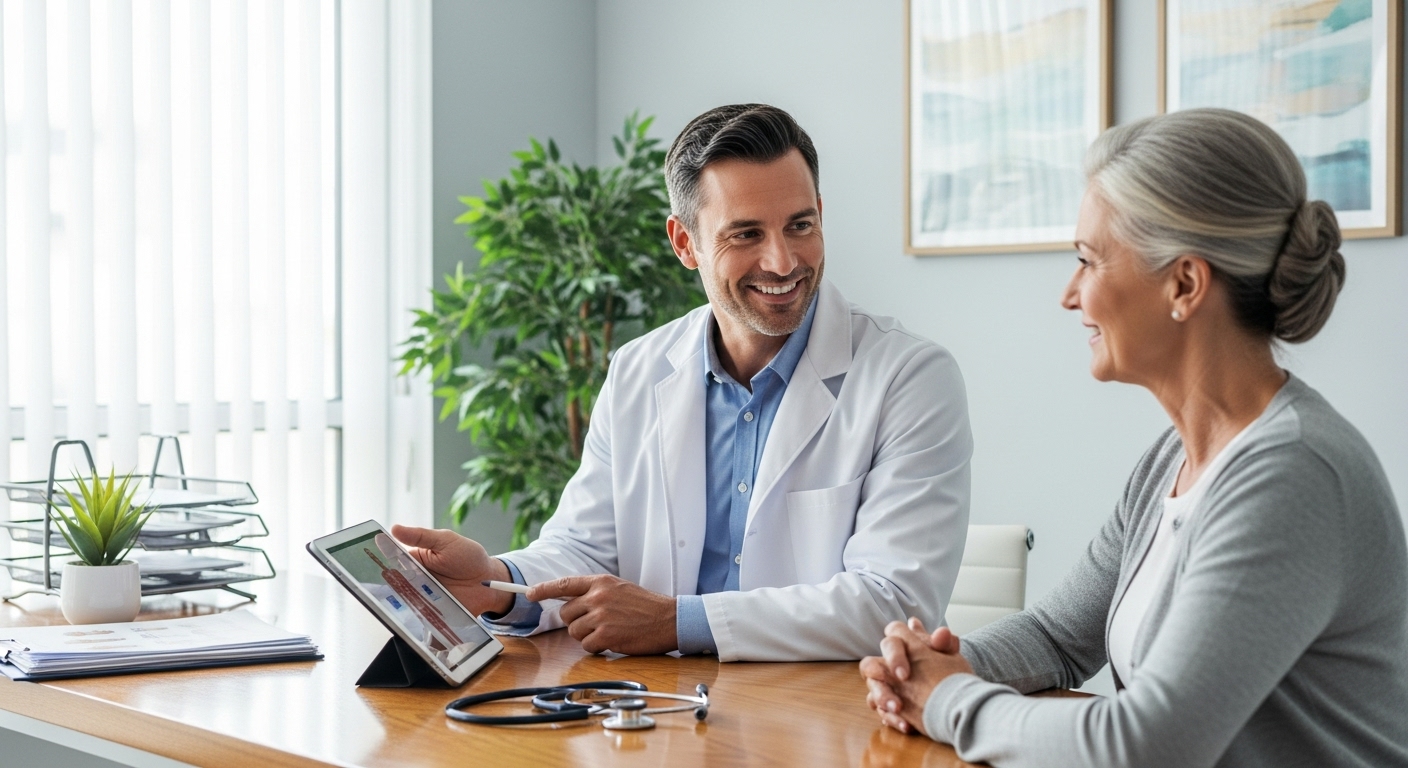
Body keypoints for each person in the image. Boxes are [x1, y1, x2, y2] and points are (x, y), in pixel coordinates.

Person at [860, 108, 1408, 767]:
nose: (1070, 295)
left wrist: (947, 701)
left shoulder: (1292, 476)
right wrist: (936, 665)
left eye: (1089, 261)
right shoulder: (1174, 460)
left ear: (1184, 284)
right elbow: (1059, 637)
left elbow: (1147, 746)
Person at [393, 104, 973, 662]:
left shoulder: (909, 378)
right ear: (684, 243)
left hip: (823, 723)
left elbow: (894, 602)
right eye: (745, 234)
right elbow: (585, 547)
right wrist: (497, 582)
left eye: (801, 225)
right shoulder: (638, 369)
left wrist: (675, 622)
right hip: (661, 715)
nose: (782, 261)